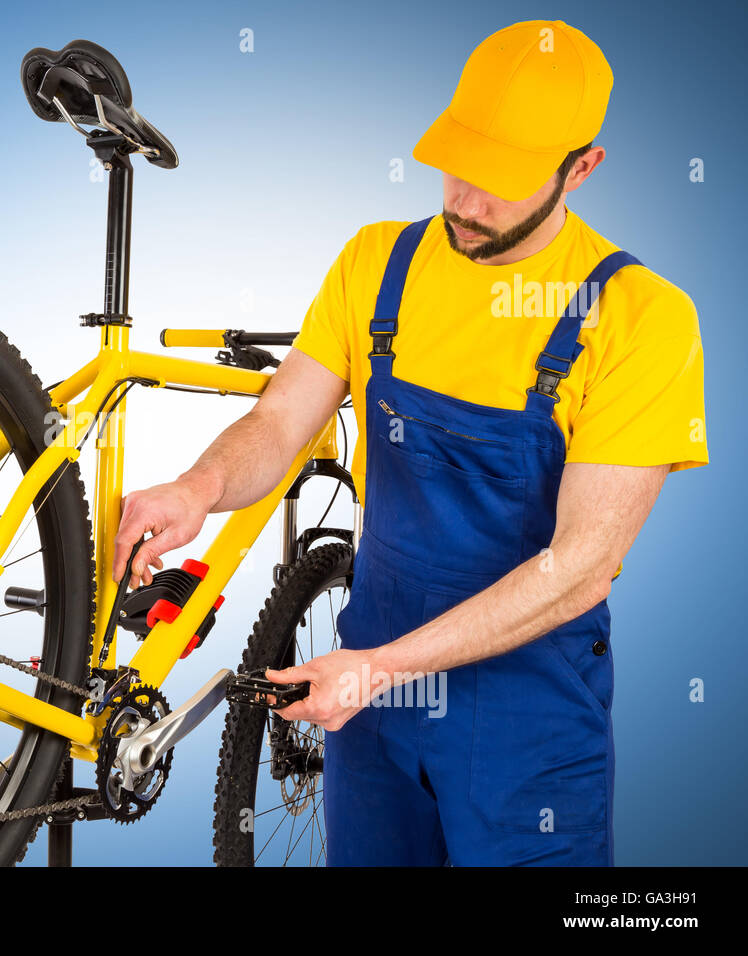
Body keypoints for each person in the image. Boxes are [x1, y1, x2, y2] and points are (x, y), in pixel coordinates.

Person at [111, 19, 708, 865]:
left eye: (499, 182)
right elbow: (282, 423)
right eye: (458, 164)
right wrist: (197, 488)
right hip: (372, 714)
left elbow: (577, 568)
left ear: (583, 167)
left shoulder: (641, 320)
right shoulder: (376, 262)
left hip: (525, 724)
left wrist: (384, 667)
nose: (465, 200)